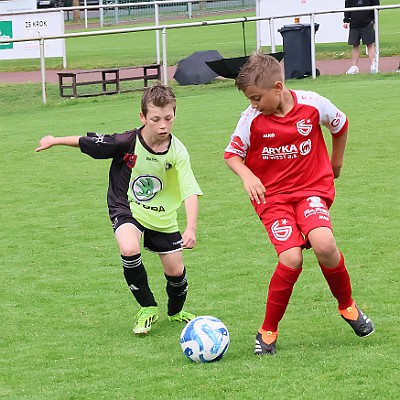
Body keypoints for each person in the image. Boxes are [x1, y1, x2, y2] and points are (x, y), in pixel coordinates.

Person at [224, 52, 374, 356]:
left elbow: (340, 124)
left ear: (278, 88)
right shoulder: (251, 119)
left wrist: (337, 163)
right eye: (249, 99)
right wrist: (247, 176)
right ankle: (268, 330)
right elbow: (231, 155)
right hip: (273, 198)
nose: (252, 104)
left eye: (256, 98)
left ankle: (347, 307)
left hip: (310, 190)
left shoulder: (312, 103)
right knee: (291, 259)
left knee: (325, 243)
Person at [36, 83, 203, 335]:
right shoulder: (126, 142)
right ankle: (147, 308)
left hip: (162, 214)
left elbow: (190, 190)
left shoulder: (178, 151)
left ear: (175, 114)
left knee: (176, 272)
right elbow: (88, 142)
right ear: (143, 117)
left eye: (168, 118)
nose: (163, 126)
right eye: (155, 119)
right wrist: (54, 140)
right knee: (129, 247)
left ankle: (176, 311)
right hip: (127, 206)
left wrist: (190, 227)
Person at [343, 0, 380, 74]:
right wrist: (346, 20)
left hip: (367, 23)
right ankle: (354, 67)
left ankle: (374, 65)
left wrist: (372, 20)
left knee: (369, 44)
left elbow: (376, 5)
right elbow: (347, 7)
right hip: (354, 23)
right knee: (355, 45)